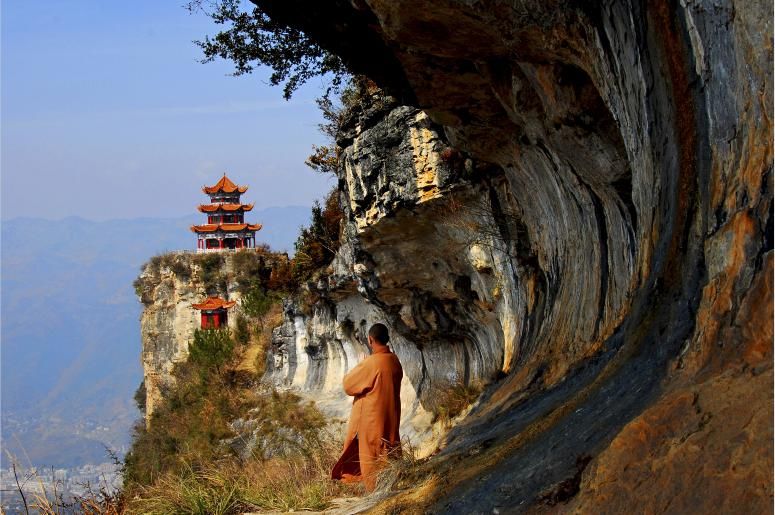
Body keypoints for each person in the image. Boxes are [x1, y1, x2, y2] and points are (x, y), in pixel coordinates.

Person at [331, 323, 403, 492]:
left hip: (372, 420)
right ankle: (393, 484)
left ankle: (375, 495)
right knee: (389, 451)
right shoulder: (394, 360)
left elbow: (349, 385)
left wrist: (361, 364)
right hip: (391, 417)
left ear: (370, 340)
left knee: (371, 457)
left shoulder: (372, 362)